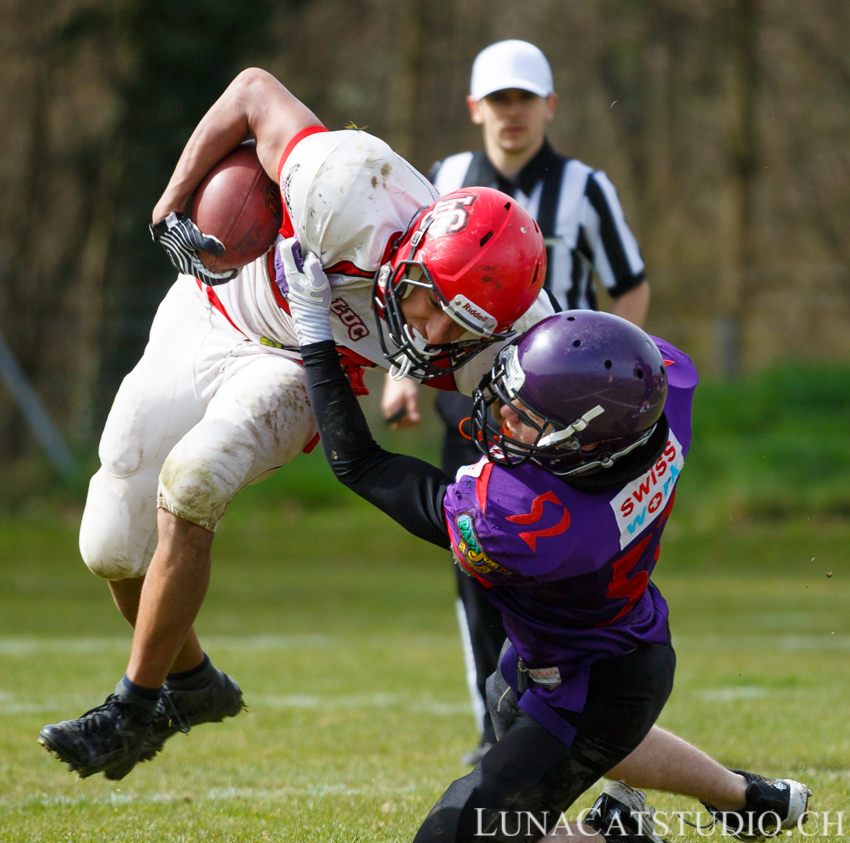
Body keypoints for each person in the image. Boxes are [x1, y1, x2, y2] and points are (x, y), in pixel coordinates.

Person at [38, 67, 555, 782]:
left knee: (194, 479)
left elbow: (546, 477)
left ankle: (133, 705)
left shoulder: (510, 345)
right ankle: (193, 681)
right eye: (422, 298)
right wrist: (171, 202)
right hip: (213, 302)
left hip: (299, 362)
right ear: (406, 253)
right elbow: (253, 90)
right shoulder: (347, 188)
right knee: (107, 543)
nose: (427, 329)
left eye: (454, 325)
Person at [284, 254, 809, 843]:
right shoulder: (660, 396)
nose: (503, 414)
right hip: (624, 640)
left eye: (526, 418)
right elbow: (601, 352)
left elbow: (361, 463)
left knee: (450, 834)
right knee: (509, 700)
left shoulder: (526, 525)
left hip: (597, 686)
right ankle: (749, 798)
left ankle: (614, 839)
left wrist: (314, 332)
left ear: (581, 444)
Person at [382, 40, 652, 764]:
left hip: (567, 421)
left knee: (563, 567)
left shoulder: (585, 188)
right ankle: (493, 727)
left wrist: (622, 375)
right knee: (478, 562)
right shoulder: (442, 181)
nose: (512, 114)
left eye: (524, 100)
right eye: (498, 101)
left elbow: (629, 282)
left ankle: (573, 716)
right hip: (467, 406)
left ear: (549, 106)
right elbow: (414, 294)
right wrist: (402, 374)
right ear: (475, 108)